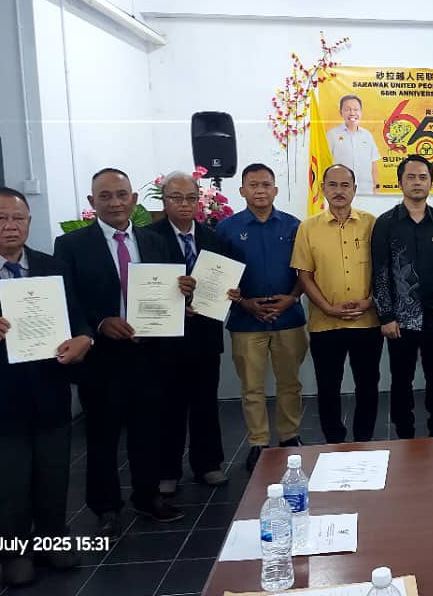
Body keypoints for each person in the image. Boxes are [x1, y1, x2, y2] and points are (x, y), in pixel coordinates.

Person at [0, 188, 93, 586]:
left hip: (48, 391)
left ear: (29, 221)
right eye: (0, 218)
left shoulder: (52, 267)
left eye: (19, 218)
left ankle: (51, 541)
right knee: (1, 483)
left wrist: (85, 339)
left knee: (52, 476)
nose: (10, 226)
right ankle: (11, 553)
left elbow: (78, 318)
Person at [54, 168, 191, 538]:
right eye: (105, 196)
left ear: (134, 199)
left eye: (121, 194)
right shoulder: (71, 246)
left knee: (149, 430)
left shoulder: (154, 240)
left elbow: (170, 292)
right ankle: (106, 508)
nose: (115, 202)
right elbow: (67, 300)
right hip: (101, 357)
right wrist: (99, 324)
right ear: (92, 202)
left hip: (149, 353)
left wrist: (183, 289)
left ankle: (148, 497)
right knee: (102, 436)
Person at [216, 163, 308, 471]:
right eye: (253, 185)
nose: (260, 190)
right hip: (246, 321)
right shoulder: (226, 229)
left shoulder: (294, 226)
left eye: (266, 185)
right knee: (252, 387)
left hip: (288, 318)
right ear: (242, 191)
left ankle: (289, 437)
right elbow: (218, 274)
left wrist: (292, 298)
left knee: (289, 383)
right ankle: (258, 442)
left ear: (275, 190)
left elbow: (306, 270)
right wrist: (245, 303)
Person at [149, 171, 229, 494]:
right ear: (164, 200)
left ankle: (208, 464)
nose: (184, 204)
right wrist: (172, 304)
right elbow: (144, 287)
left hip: (206, 334)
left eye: (191, 198)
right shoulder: (149, 238)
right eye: (176, 198)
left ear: (200, 201)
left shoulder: (213, 237)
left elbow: (224, 280)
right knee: (168, 405)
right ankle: (167, 470)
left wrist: (232, 292)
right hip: (165, 338)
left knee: (205, 403)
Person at [291, 164, 383, 443]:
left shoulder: (372, 224)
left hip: (367, 321)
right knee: (328, 386)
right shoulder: (308, 227)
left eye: (345, 185)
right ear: (323, 189)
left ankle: (364, 439)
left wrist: (369, 302)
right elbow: (304, 275)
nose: (339, 191)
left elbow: (384, 270)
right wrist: (328, 308)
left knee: (368, 384)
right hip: (325, 323)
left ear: (354, 189)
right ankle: (334, 441)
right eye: (332, 185)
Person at [371, 154, 433, 438]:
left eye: (423, 177)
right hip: (400, 321)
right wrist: (386, 316)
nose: (417, 182)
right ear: (400, 182)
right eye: (411, 177)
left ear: (431, 182)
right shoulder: (386, 223)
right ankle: (404, 435)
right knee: (401, 381)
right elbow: (380, 273)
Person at [327, 94, 381, 193]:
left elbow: (373, 163)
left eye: (356, 109)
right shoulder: (332, 135)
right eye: (347, 109)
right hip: (341, 191)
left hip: (366, 190)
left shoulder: (367, 135)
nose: (352, 113)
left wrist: (376, 187)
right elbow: (326, 163)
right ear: (341, 112)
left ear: (361, 112)